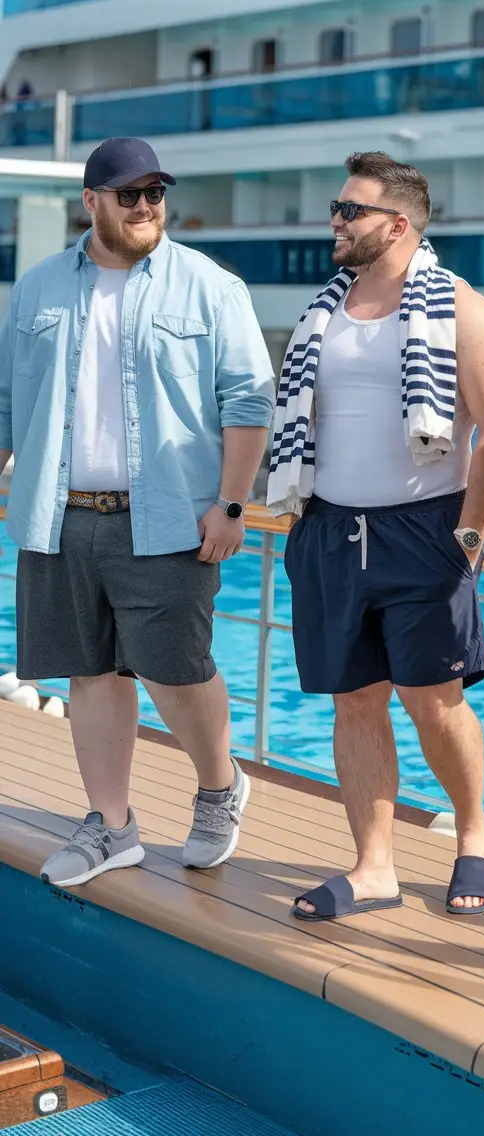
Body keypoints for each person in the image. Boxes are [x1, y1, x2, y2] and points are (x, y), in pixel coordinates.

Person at [0, 137, 274, 887]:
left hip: (171, 519)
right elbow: (5, 403)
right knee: (90, 675)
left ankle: (220, 787)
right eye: (130, 194)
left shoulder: (210, 287)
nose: (147, 205)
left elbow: (250, 400)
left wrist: (231, 503)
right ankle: (111, 825)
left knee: (177, 671)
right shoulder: (39, 287)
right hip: (59, 517)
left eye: (156, 192)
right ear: (91, 203)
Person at [268, 151, 484, 921]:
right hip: (330, 529)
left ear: (398, 224)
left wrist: (470, 539)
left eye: (351, 210)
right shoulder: (325, 312)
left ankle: (472, 837)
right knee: (354, 702)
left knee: (432, 701)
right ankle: (374, 867)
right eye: (337, 208)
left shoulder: (463, 309)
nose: (335, 222)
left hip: (424, 534)